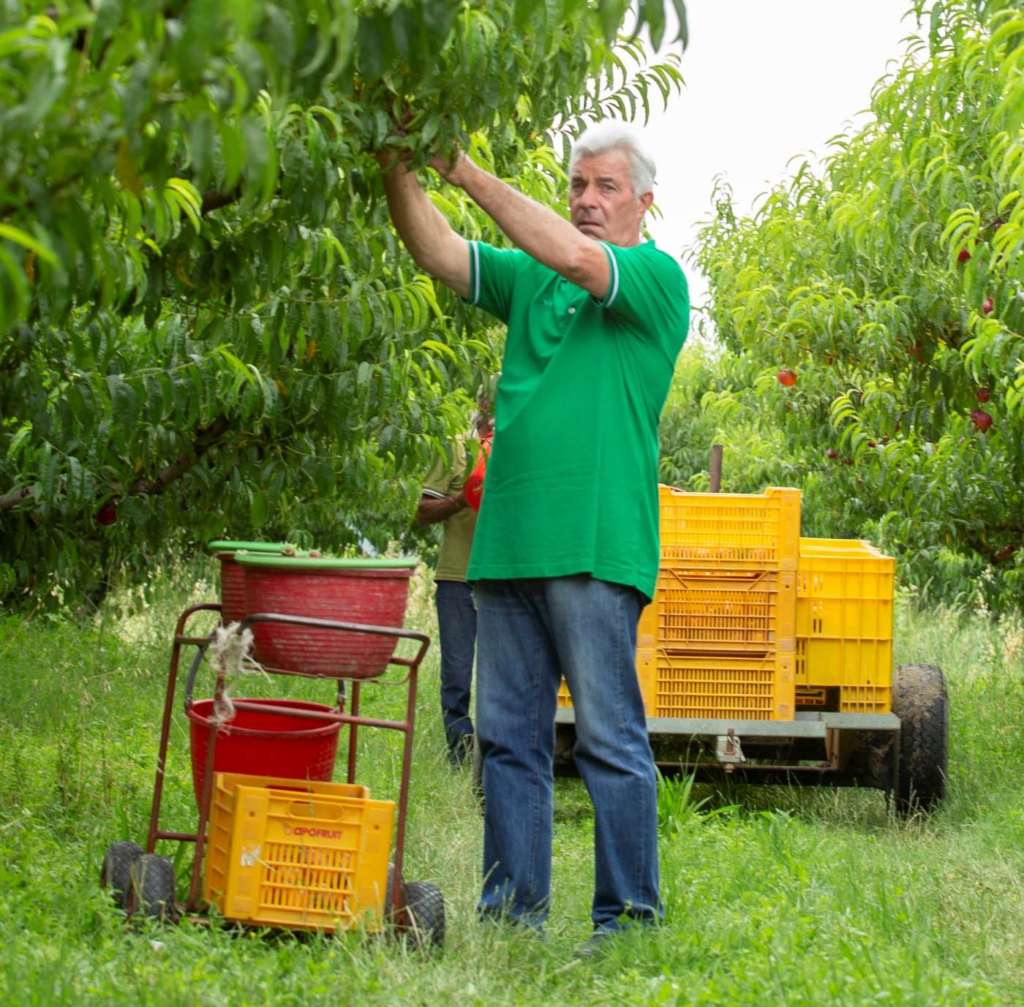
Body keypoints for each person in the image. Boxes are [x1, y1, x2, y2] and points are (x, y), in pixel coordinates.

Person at [379, 121, 689, 943]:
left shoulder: (653, 280)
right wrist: (396, 165)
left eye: (606, 188)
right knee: (508, 743)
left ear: (644, 204)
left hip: (593, 548)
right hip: (506, 544)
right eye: (578, 187)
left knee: (608, 739)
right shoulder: (529, 282)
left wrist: (462, 168)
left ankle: (627, 918)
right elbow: (441, 254)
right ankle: (513, 914)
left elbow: (580, 260)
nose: (587, 202)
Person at [414, 390, 493, 767]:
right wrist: (461, 499)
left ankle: (495, 759)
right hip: (458, 577)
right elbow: (422, 510)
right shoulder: (456, 447)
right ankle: (459, 759)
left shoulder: (525, 442)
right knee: (457, 677)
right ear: (481, 405)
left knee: (503, 676)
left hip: (505, 579)